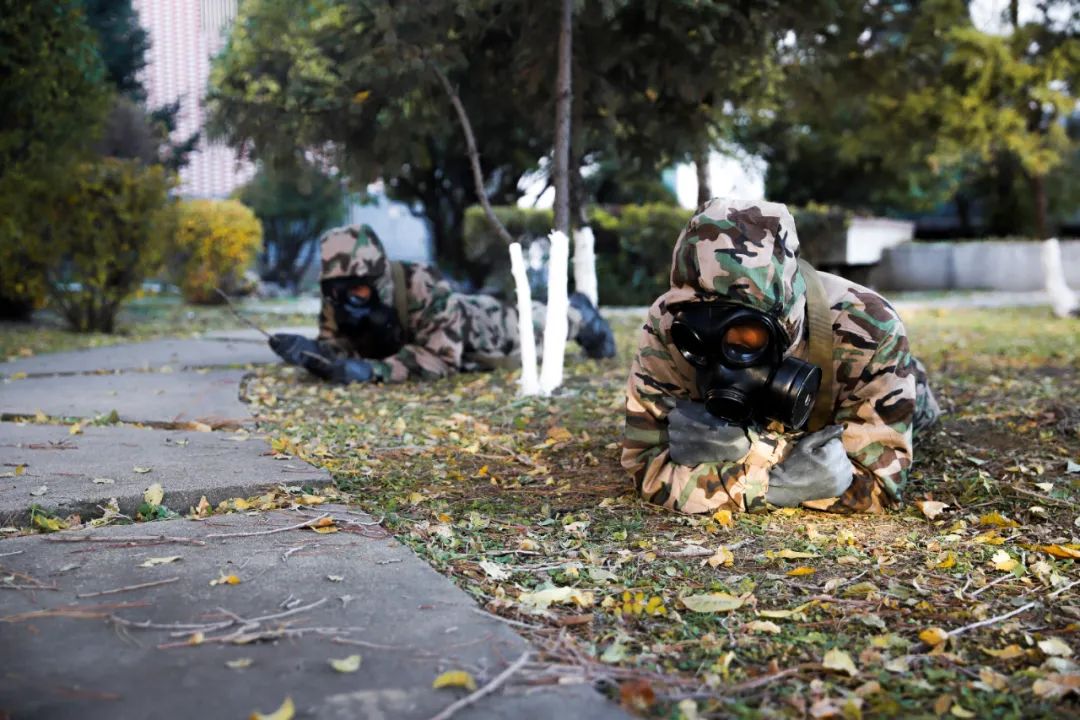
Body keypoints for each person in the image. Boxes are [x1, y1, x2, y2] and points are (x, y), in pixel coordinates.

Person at [622, 198, 940, 514]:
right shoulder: (669, 325)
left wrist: (755, 453)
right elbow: (647, 468)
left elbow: (875, 485)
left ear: (785, 318)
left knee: (918, 404)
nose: (723, 362)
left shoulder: (868, 326)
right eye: (700, 335)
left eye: (746, 338)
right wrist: (776, 485)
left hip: (858, 397)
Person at [269, 224, 615, 384]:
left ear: (378, 282)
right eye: (336, 291)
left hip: (483, 325)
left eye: (356, 290)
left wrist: (374, 372)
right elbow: (339, 346)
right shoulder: (337, 299)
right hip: (440, 334)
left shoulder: (420, 283)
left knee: (545, 325)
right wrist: (314, 355)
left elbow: (441, 359)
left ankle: (580, 312)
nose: (344, 301)